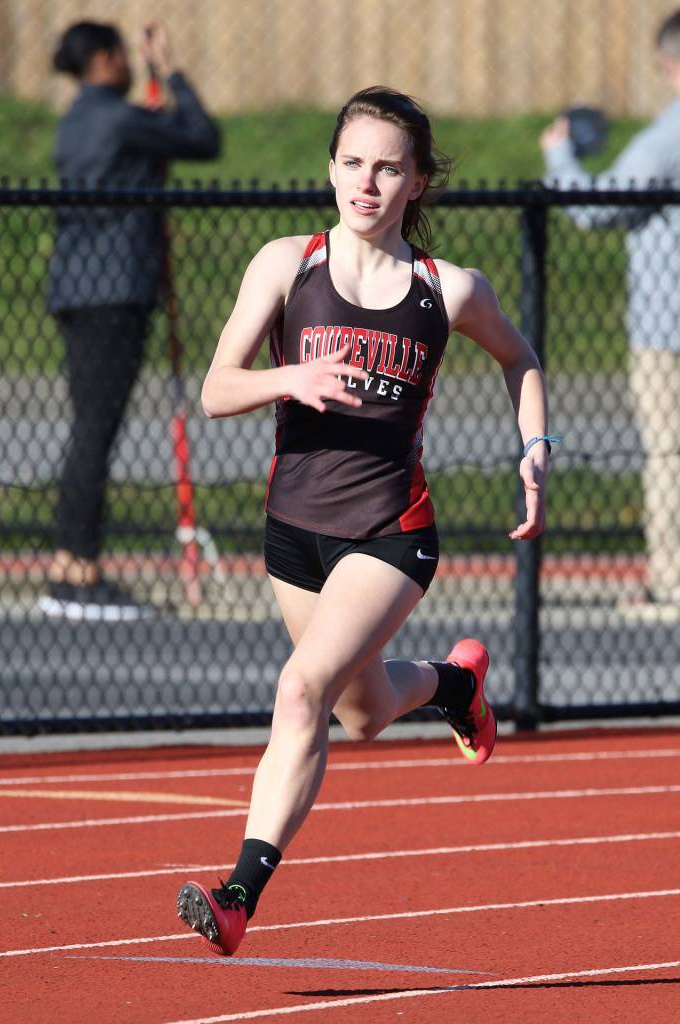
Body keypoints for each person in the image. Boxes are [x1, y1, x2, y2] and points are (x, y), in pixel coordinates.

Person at [176, 86, 554, 957]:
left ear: (418, 181)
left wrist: (534, 445)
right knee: (361, 711)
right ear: (331, 170)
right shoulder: (286, 264)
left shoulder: (445, 289)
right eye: (352, 163)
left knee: (299, 690)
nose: (367, 183)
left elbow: (519, 357)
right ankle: (455, 685)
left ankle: (238, 894)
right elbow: (216, 387)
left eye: (389, 167)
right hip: (292, 530)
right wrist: (289, 381)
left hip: (390, 531)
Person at [38, 20, 220, 621]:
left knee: (90, 428)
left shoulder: (75, 122)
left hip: (76, 287)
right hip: (114, 291)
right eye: (121, 57)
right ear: (108, 59)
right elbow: (201, 137)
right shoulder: (118, 117)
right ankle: (75, 571)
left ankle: (71, 562)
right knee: (95, 430)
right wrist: (166, 70)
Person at [541, 9, 680, 613]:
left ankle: (671, 583)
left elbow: (600, 207)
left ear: (670, 66)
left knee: (669, 455)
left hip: (667, 328)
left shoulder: (667, 136)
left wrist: (559, 157)